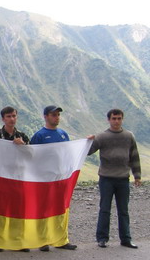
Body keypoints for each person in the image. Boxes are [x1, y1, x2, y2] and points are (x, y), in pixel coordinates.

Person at [88, 109, 141, 249]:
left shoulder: (129, 136)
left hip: (123, 178)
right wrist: (87, 141)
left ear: (122, 119)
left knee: (123, 210)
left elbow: (134, 156)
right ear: (109, 120)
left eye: (119, 118)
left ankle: (126, 239)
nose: (116, 121)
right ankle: (102, 238)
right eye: (114, 118)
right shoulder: (102, 137)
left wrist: (137, 176)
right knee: (104, 209)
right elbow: (88, 151)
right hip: (106, 179)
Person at [30, 105, 77, 251]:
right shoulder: (39, 135)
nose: (56, 117)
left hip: (60, 178)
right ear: (46, 116)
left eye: (57, 115)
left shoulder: (63, 134)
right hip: (44, 180)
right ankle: (42, 240)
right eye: (53, 115)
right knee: (43, 210)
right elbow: (32, 156)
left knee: (60, 209)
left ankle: (61, 240)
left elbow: (68, 154)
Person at [0, 106, 30, 252]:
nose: (12, 119)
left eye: (14, 116)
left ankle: (16, 240)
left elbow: (31, 157)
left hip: (18, 179)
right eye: (8, 116)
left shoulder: (23, 136)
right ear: (3, 119)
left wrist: (23, 147)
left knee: (18, 210)